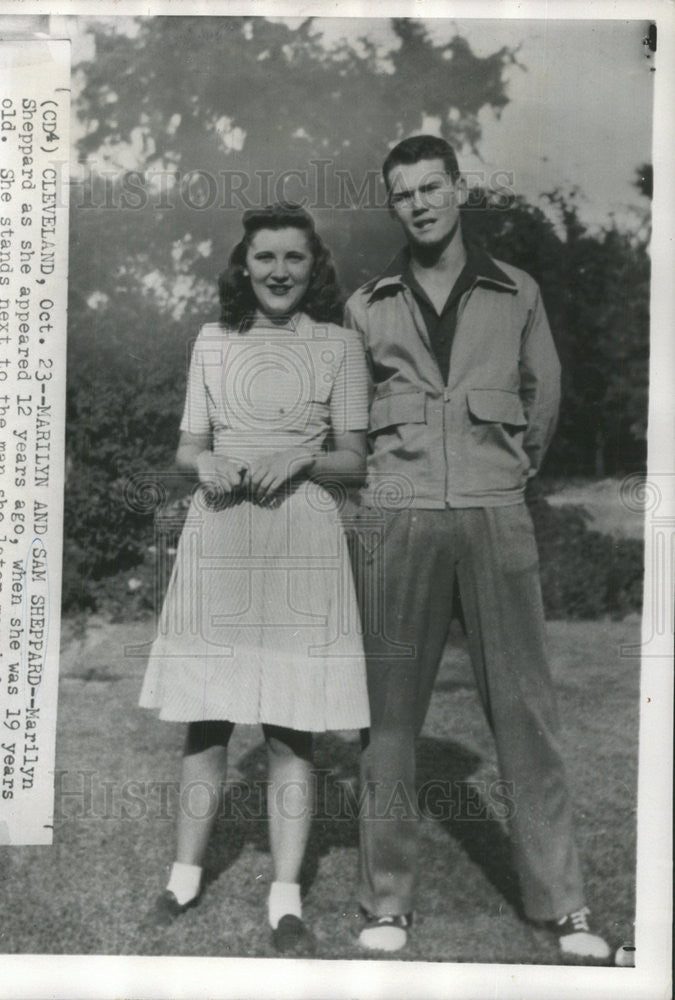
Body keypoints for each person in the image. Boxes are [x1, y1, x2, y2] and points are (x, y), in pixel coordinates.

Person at [344, 135, 611, 960]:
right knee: (386, 722)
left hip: (496, 517)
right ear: (391, 205)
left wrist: (504, 474)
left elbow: (545, 398)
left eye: (433, 186)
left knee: (526, 715)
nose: (420, 203)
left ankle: (562, 905)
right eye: (403, 193)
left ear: (458, 189)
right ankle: (386, 903)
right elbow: (348, 425)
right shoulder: (366, 304)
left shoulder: (516, 290)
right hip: (400, 519)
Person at [139, 203, 371, 954]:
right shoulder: (212, 341)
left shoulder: (339, 345)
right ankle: (182, 876)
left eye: (292, 259)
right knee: (206, 720)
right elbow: (186, 449)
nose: (277, 272)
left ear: (314, 267)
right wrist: (202, 462)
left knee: (289, 728)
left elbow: (354, 459)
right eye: (264, 258)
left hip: (300, 537)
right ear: (244, 265)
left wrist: (301, 458)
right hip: (221, 533)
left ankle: (284, 898)